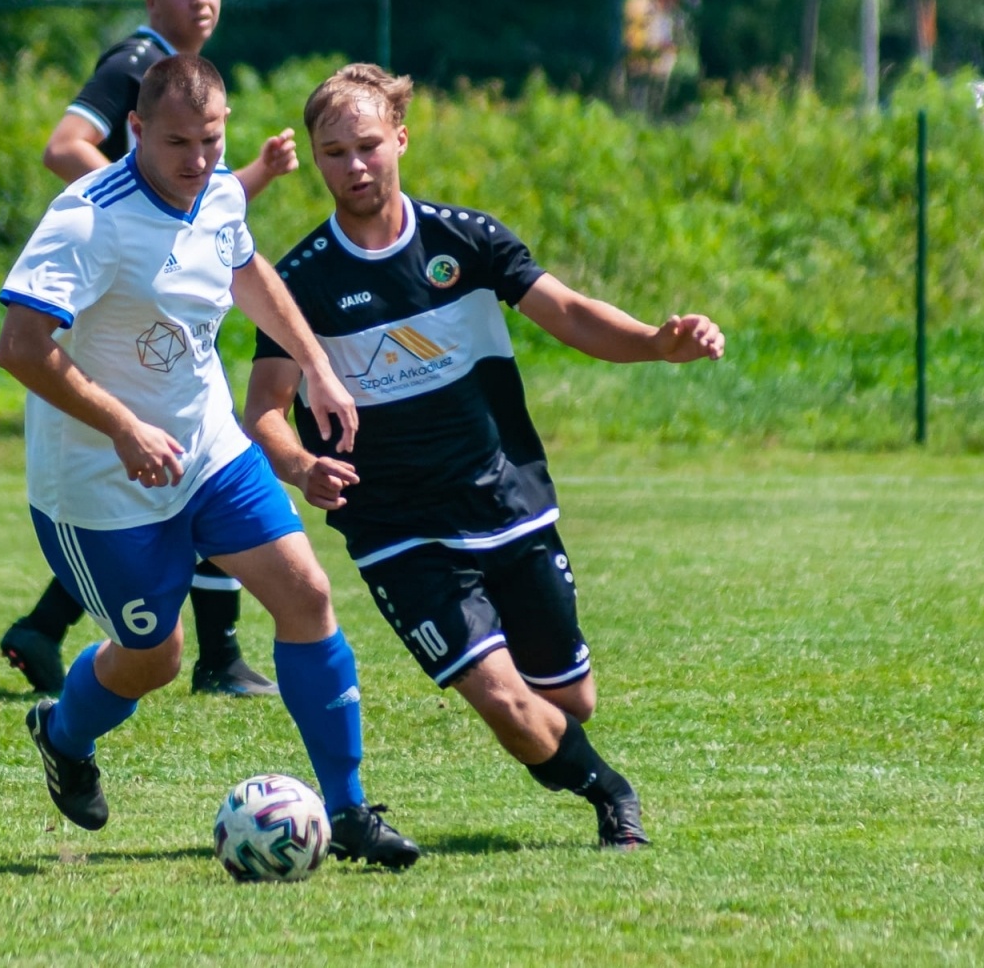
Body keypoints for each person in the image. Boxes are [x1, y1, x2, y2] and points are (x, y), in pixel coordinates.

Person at [243, 63, 725, 849]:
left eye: (368, 145)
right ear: (314, 157)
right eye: (334, 153)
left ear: (400, 137)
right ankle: (614, 797)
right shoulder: (297, 282)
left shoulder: (465, 240)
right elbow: (264, 408)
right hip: (396, 526)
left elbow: (567, 311)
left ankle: (573, 752)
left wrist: (653, 345)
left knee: (568, 705)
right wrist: (301, 467)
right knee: (504, 705)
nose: (355, 166)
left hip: (505, 500)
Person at [0, 54, 420, 868]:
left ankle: (351, 810)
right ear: (136, 132)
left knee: (307, 594)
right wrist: (122, 426)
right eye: (178, 142)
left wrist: (319, 367)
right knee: (156, 661)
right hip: (99, 488)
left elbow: (244, 268)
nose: (198, 160)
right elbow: (19, 346)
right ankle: (62, 731)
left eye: (212, 139)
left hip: (208, 453)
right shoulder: (88, 219)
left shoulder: (220, 188)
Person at [1, 0, 299, 698]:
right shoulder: (135, 66)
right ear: (151, 0)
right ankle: (193, 652)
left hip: (160, 294)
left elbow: (210, 219)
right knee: (149, 463)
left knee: (196, 452)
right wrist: (138, 211)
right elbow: (66, 146)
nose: (200, 0)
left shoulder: (190, 90)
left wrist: (244, 177)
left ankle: (207, 650)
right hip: (112, 296)